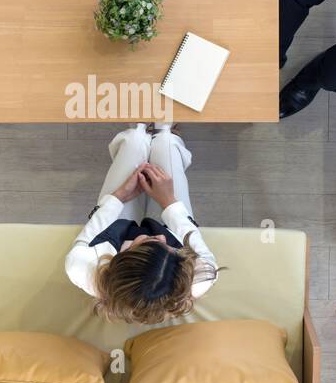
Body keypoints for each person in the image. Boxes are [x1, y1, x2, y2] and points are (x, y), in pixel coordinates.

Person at [65, 123, 220, 324]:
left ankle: (140, 129)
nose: (162, 237)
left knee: (133, 141)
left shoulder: (81, 265)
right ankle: (166, 133)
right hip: (173, 226)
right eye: (166, 246)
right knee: (166, 143)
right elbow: (189, 231)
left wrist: (119, 195)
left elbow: (93, 227)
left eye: (150, 240)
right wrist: (168, 201)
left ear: (119, 258)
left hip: (115, 226)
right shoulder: (201, 275)